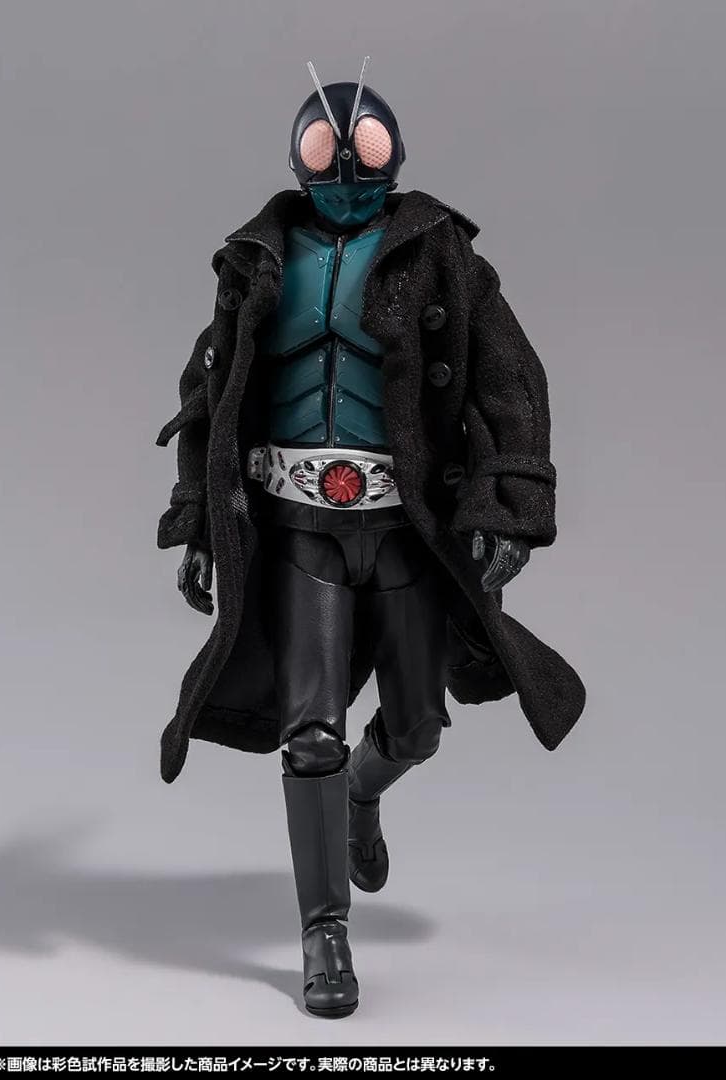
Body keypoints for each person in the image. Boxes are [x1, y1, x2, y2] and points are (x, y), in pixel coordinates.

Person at [156, 59, 585, 1018]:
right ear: (297, 158)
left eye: (365, 151)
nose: (346, 170)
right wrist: (199, 519)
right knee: (308, 732)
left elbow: (510, 381)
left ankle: (363, 791)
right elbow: (210, 395)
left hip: (404, 526)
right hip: (296, 527)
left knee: (418, 726)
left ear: (396, 155)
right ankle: (324, 931)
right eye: (326, 151)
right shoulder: (256, 262)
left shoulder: (441, 257)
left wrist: (507, 505)